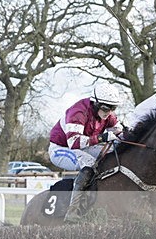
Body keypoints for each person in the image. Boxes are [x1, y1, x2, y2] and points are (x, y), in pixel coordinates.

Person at [48, 83, 123, 222]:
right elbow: (74, 142)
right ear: (95, 102)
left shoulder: (108, 115)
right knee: (88, 164)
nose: (109, 112)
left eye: (113, 108)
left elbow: (120, 133)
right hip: (61, 149)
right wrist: (102, 137)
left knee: (114, 152)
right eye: (106, 107)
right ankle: (73, 211)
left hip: (83, 147)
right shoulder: (78, 112)